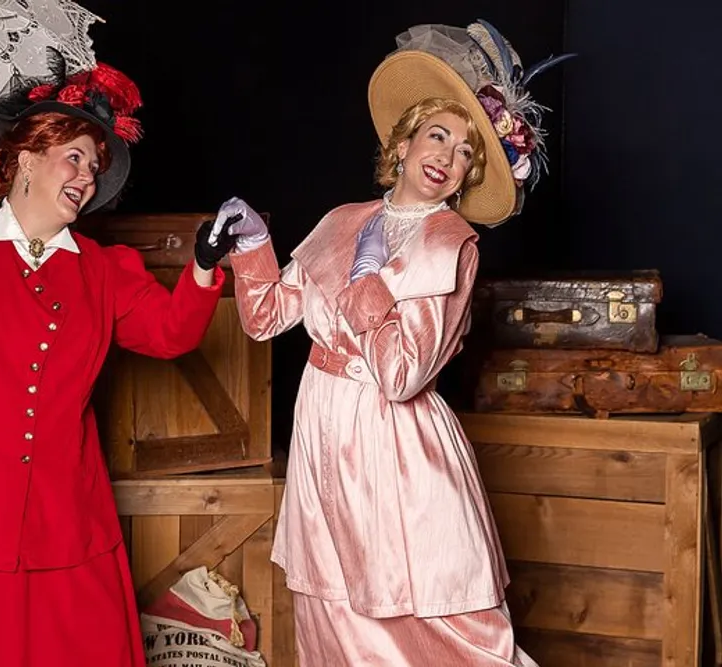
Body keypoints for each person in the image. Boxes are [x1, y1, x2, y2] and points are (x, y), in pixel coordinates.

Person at [208, 21, 573, 666]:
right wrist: (255, 243)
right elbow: (266, 318)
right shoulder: (340, 222)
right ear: (403, 143)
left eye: (466, 151)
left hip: (395, 447)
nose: (448, 157)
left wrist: (370, 282)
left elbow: (403, 376)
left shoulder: (451, 246)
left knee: (425, 617)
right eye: (439, 135)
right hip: (322, 431)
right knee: (334, 611)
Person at [0, 48, 238, 667]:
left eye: (94, 165)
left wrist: (203, 265)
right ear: (27, 159)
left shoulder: (103, 268)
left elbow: (169, 333)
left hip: (62, 509)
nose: (88, 175)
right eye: (75, 157)